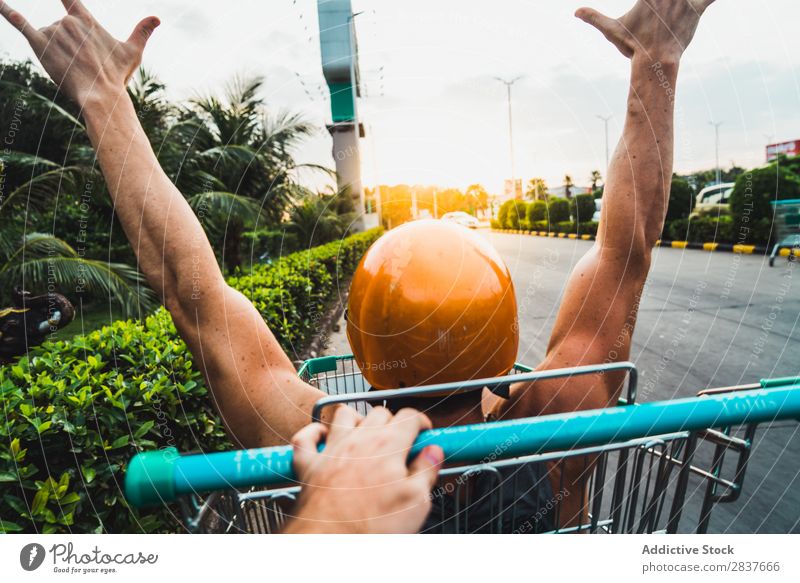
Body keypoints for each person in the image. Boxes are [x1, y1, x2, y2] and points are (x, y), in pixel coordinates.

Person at [1, 0, 717, 532]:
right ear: (504, 332)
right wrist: (656, 63)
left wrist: (103, 100)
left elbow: (195, 294)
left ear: (364, 347)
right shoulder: (554, 424)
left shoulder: (317, 438)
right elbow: (625, 255)